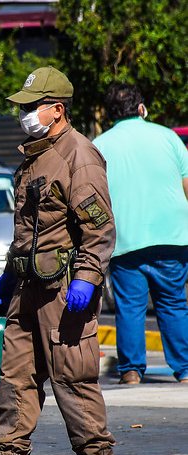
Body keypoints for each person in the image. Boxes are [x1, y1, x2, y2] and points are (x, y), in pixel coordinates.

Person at [0, 66, 118, 455]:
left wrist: (86, 279)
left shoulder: (78, 155)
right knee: (15, 376)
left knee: (72, 375)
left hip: (64, 289)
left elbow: (99, 231)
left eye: (31, 106)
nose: (23, 114)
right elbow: (28, 230)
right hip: (28, 287)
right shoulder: (34, 158)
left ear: (57, 110)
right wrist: (11, 271)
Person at [93, 83, 188, 385]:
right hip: (172, 235)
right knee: (173, 303)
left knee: (129, 307)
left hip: (127, 239)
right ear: (141, 108)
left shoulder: (100, 144)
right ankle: (185, 370)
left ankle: (132, 371)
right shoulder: (168, 136)